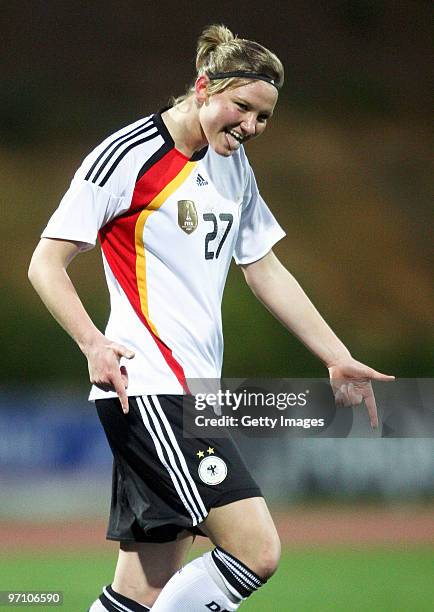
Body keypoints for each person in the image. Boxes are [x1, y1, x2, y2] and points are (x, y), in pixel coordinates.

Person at [28, 24, 394, 612]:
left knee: (141, 589)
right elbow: (45, 263)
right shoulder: (125, 157)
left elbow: (264, 267)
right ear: (203, 87)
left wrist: (334, 353)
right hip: (150, 389)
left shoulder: (233, 165)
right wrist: (93, 343)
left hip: (192, 394)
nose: (250, 127)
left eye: (264, 117)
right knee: (257, 551)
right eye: (242, 107)